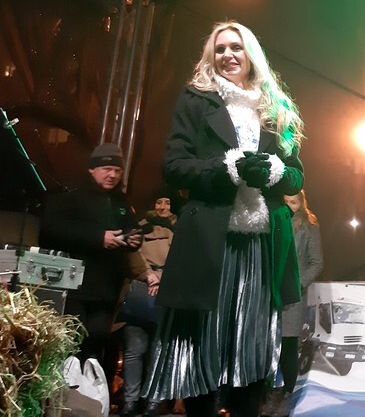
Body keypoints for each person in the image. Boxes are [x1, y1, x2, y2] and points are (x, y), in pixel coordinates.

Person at [142, 21, 305, 417]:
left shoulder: (275, 109)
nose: (228, 55)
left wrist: (275, 171)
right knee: (202, 350)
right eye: (220, 49)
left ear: (252, 55)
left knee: (251, 350)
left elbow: (297, 175)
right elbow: (175, 166)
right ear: (210, 57)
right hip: (211, 241)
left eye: (237, 47)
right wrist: (226, 169)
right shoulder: (196, 101)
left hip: (260, 246)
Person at [39, 143, 144, 391]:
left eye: (117, 170)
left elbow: (131, 227)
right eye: (107, 169)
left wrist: (133, 238)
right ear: (92, 170)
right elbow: (51, 230)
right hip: (75, 288)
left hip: (107, 291)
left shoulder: (120, 201)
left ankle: (92, 400)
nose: (113, 175)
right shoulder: (71, 196)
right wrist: (99, 237)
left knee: (96, 344)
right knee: (71, 343)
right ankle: (62, 397)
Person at [260, 189, 325, 417]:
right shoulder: (275, 221)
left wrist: (297, 284)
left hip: (292, 298)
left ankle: (288, 394)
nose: (290, 206)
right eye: (286, 202)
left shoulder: (309, 225)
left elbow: (316, 262)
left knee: (288, 346)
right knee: (268, 345)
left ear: (302, 202)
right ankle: (267, 395)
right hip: (270, 295)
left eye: (294, 202)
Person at [120, 189, 177, 417]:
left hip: (167, 292)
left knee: (158, 350)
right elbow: (133, 253)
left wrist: (161, 279)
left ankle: (153, 401)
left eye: (167, 202)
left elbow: (182, 258)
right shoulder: (140, 227)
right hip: (139, 291)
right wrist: (147, 275)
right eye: (158, 201)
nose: (162, 207)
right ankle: (130, 401)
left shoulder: (181, 228)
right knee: (134, 349)